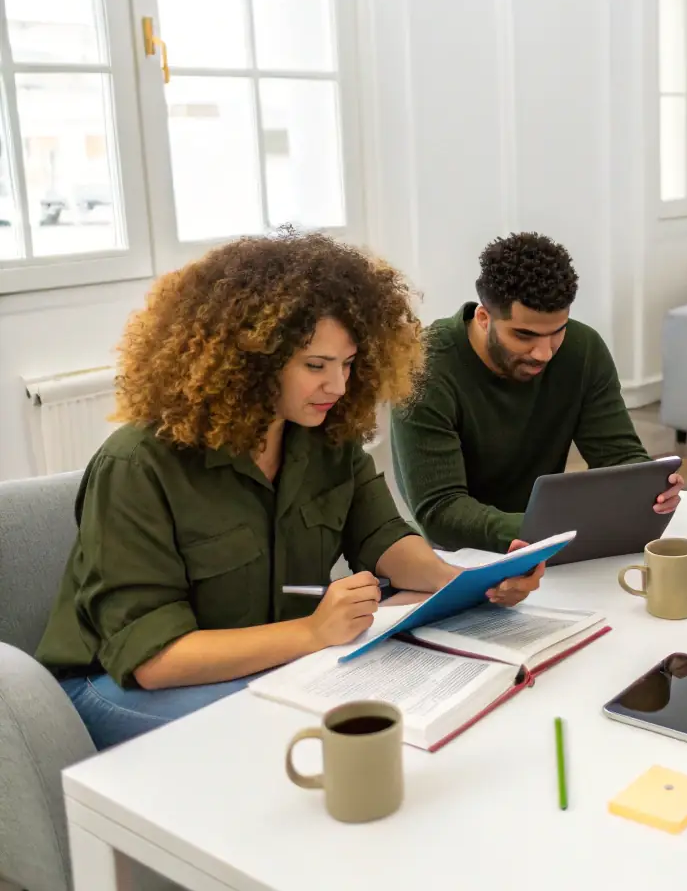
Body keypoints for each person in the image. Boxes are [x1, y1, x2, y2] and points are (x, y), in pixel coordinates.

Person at [35, 231, 543, 750]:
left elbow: (384, 538)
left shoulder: (326, 435)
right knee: (328, 737)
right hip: (115, 687)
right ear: (251, 361)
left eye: (348, 364)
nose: (339, 387)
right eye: (316, 366)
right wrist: (311, 634)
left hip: (272, 658)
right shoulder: (139, 464)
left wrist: (463, 582)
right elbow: (153, 660)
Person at [392, 232, 682, 552]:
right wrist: (557, 529)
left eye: (557, 331)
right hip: (453, 553)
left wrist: (648, 489)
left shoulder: (582, 350)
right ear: (484, 318)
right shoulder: (420, 368)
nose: (543, 352)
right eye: (524, 335)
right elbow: (440, 512)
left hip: (544, 541)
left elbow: (619, 457)